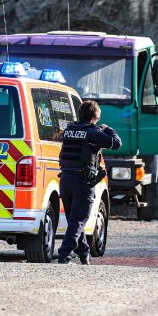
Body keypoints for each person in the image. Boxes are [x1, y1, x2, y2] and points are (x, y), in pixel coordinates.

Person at [57, 100, 121, 265]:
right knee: (79, 220)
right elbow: (116, 143)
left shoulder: (69, 130)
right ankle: (64, 254)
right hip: (82, 182)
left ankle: (84, 254)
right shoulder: (93, 133)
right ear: (96, 116)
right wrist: (107, 129)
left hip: (65, 180)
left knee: (74, 220)